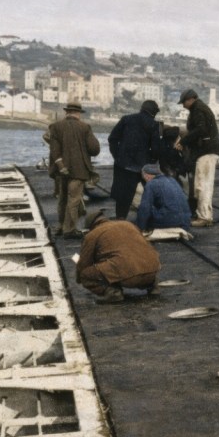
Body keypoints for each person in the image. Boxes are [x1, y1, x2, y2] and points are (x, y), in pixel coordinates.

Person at [75, 210, 161, 304]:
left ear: (90, 227)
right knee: (130, 260)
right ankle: (153, 285)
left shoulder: (93, 234)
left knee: (86, 274)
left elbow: (83, 263)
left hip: (128, 274)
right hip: (152, 270)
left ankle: (113, 292)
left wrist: (79, 278)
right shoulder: (128, 224)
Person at [48, 101, 101, 238]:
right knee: (74, 200)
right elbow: (94, 149)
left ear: (67, 112)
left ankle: (61, 226)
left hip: (61, 170)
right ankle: (69, 230)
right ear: (78, 113)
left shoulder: (55, 127)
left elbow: (54, 150)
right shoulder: (85, 127)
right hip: (79, 170)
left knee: (62, 199)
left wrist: (61, 166)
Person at [107, 100, 162, 219]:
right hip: (144, 167)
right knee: (150, 194)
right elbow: (157, 149)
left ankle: (120, 219)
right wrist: (151, 162)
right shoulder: (155, 125)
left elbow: (112, 139)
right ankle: (152, 220)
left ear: (142, 108)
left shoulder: (126, 119)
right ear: (154, 113)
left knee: (122, 197)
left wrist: (117, 156)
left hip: (123, 165)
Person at [176, 88, 219, 227]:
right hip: (207, 151)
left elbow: (200, 130)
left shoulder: (198, 110)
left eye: (184, 102)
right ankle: (203, 215)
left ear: (190, 99)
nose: (183, 105)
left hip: (207, 152)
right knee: (201, 185)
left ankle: (205, 217)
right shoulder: (200, 108)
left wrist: (183, 141)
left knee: (203, 185)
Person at [135, 163, 191, 232]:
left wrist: (139, 228)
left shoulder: (151, 184)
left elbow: (145, 208)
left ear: (147, 176)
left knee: (142, 207)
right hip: (185, 222)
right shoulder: (172, 180)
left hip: (170, 221)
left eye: (143, 178)